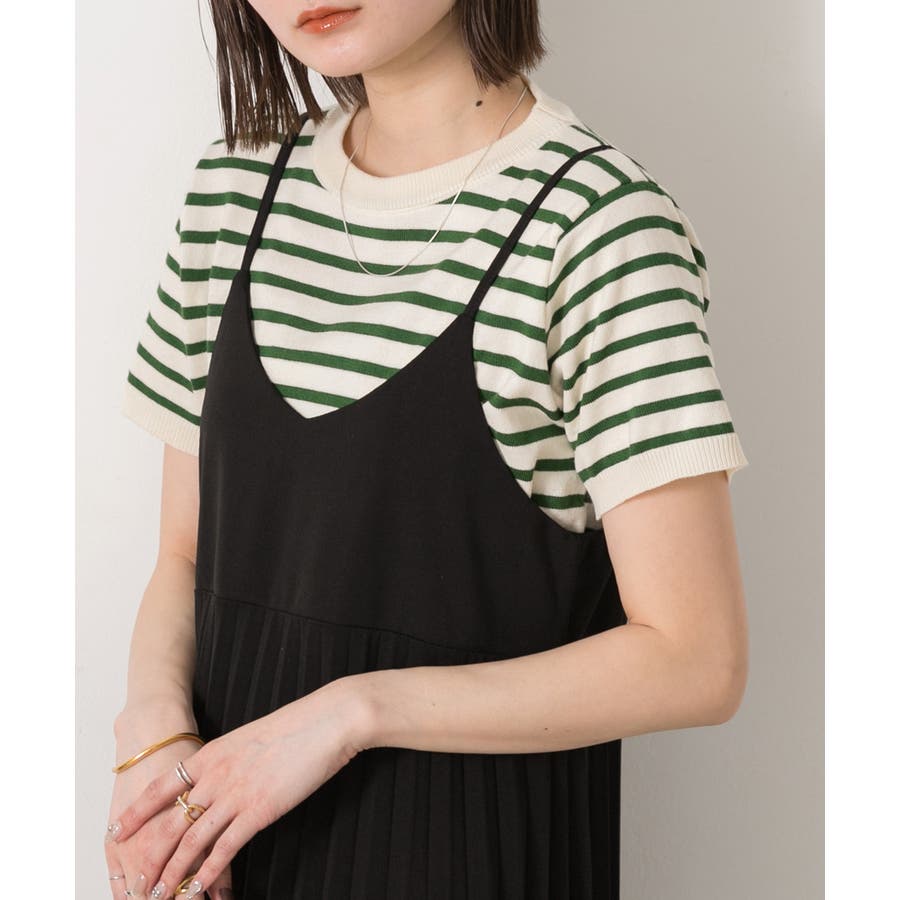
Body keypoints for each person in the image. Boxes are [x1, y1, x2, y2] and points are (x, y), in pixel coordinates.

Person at [104, 1, 751, 898]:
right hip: (228, 855)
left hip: (469, 857)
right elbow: (184, 554)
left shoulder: (596, 226)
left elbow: (696, 660)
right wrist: (152, 734)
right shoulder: (234, 191)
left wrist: (352, 713)